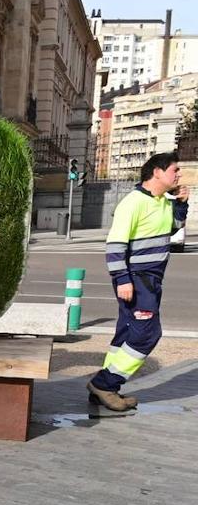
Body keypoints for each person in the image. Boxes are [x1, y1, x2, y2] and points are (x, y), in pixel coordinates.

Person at [88, 152, 189, 411]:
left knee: (127, 332)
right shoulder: (132, 203)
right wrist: (122, 279)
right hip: (136, 279)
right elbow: (115, 245)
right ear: (157, 172)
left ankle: (105, 389)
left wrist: (181, 204)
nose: (178, 175)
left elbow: (173, 229)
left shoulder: (163, 202)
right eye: (174, 170)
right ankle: (104, 384)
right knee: (148, 334)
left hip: (152, 280)